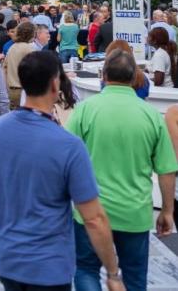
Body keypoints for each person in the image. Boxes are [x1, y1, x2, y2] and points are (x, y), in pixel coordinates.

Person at [0, 50, 125, 291]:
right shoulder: (69, 145)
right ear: (55, 84)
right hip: (49, 267)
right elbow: (94, 217)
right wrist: (113, 273)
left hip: (9, 259)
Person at [67, 48, 177, 291]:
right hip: (134, 211)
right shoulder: (150, 115)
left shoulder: (86, 109)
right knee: (135, 276)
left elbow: (65, 156)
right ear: (134, 78)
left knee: (86, 270)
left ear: (104, 75)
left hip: (90, 210)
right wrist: (167, 210)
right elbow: (167, 169)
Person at [3, 21, 35, 110]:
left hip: (12, 90)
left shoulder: (12, 47)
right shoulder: (28, 48)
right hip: (23, 90)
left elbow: (4, 68)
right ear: (30, 34)